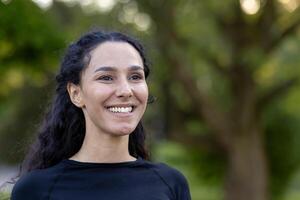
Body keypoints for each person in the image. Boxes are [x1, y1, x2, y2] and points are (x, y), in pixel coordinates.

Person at [11, 30, 191, 200]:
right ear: (76, 94)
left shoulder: (170, 184)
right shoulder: (35, 189)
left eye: (135, 76)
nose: (126, 90)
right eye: (106, 77)